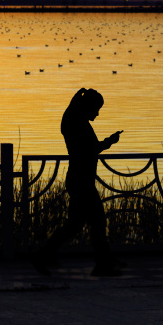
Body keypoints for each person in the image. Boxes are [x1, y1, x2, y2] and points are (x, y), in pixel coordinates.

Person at [31, 87, 125, 277]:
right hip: (82, 181)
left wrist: (76, 97)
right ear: (88, 107)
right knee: (97, 222)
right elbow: (90, 150)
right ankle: (102, 264)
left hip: (79, 179)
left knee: (75, 225)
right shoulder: (78, 125)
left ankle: (45, 254)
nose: (97, 113)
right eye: (96, 109)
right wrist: (109, 142)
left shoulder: (72, 121)